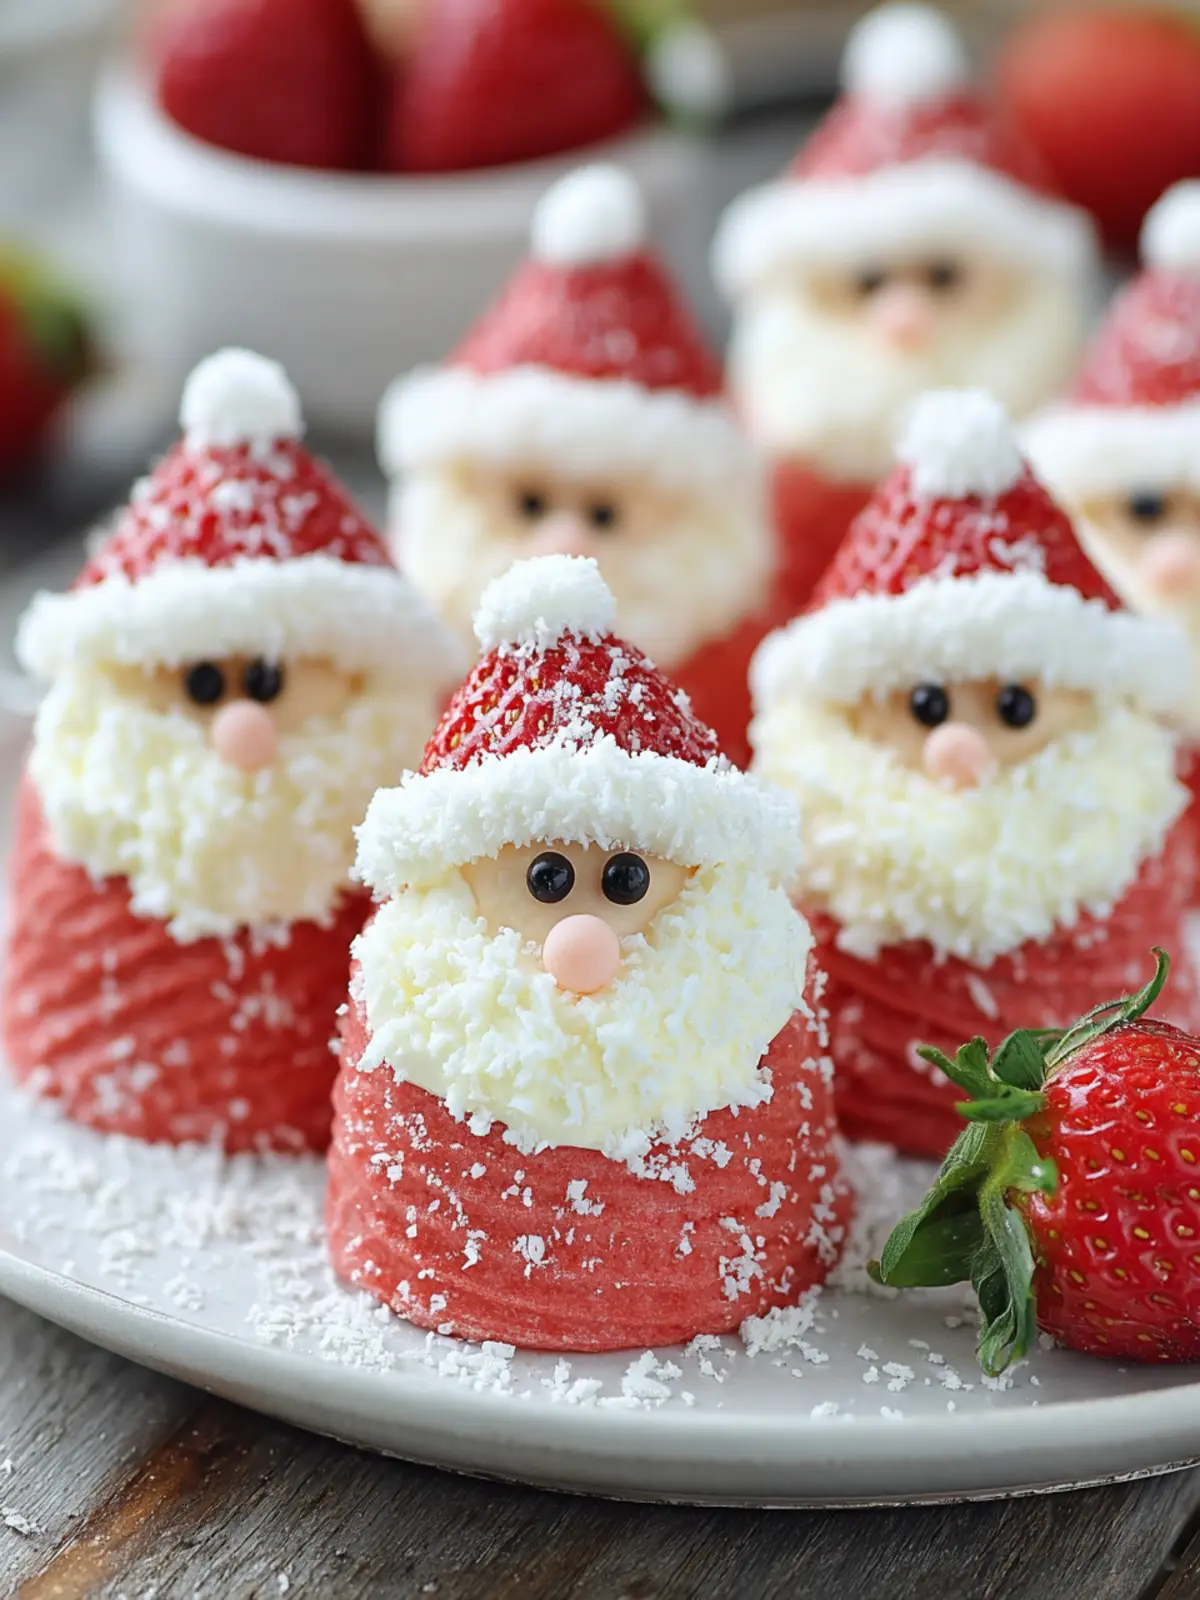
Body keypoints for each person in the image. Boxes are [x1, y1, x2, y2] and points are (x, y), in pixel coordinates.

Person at [327, 554, 849, 1349]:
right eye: (545, 878)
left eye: (627, 877)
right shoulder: (414, 982)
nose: (583, 939)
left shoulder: (751, 978)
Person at [5, 349, 462, 1150]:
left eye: (267, 678)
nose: (241, 729)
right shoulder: (91, 777)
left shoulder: (387, 773)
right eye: (206, 684)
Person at [750, 389, 1197, 1157]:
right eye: (926, 703)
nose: (961, 746)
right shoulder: (812, 831)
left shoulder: (1134, 818)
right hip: (858, 1137)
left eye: (1015, 706)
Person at [378, 163, 776, 766]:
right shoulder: (415, 665)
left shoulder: (731, 666)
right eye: (531, 504)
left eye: (605, 514)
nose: (564, 540)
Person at [713, 2, 1097, 614]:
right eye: (867, 283)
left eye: (942, 278)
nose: (903, 317)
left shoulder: (1060, 444)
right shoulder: (776, 451)